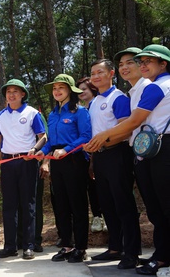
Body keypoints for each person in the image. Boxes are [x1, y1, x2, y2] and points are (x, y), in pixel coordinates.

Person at [85, 44, 170, 275]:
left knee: (157, 206)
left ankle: (147, 254)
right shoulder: (137, 91)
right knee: (154, 208)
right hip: (143, 152)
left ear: (163, 64)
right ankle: (158, 254)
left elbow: (132, 124)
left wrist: (103, 138)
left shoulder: (153, 87)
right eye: (138, 62)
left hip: (154, 151)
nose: (139, 66)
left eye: (144, 62)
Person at [87, 59, 141, 269]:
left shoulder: (118, 98)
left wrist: (105, 142)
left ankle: (132, 252)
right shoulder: (93, 102)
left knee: (124, 204)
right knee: (107, 204)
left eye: (100, 72)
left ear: (111, 73)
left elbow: (125, 130)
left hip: (117, 155)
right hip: (99, 158)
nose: (96, 77)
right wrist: (93, 159)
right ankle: (115, 248)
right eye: (93, 73)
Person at [35, 74, 92, 263]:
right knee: (61, 205)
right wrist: (41, 151)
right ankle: (67, 246)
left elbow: (85, 136)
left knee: (77, 205)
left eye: (61, 87)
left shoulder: (80, 112)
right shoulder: (53, 114)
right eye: (54, 88)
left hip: (75, 161)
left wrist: (66, 149)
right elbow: (50, 141)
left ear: (70, 90)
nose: (57, 91)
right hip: (57, 163)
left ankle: (81, 247)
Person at [0, 79, 46, 260]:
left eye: (15, 91)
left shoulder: (32, 113)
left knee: (28, 204)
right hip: (7, 162)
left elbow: (43, 136)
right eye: (8, 91)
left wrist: (35, 150)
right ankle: (10, 246)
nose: (11, 94)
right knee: (9, 205)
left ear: (23, 94)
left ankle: (28, 246)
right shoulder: (0, 116)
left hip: (27, 161)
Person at [75, 78, 106, 233]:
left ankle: (105, 217)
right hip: (85, 155)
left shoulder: (98, 104)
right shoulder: (81, 110)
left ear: (93, 89)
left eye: (84, 89)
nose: (82, 92)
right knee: (91, 187)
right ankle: (97, 216)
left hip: (102, 151)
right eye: (79, 90)